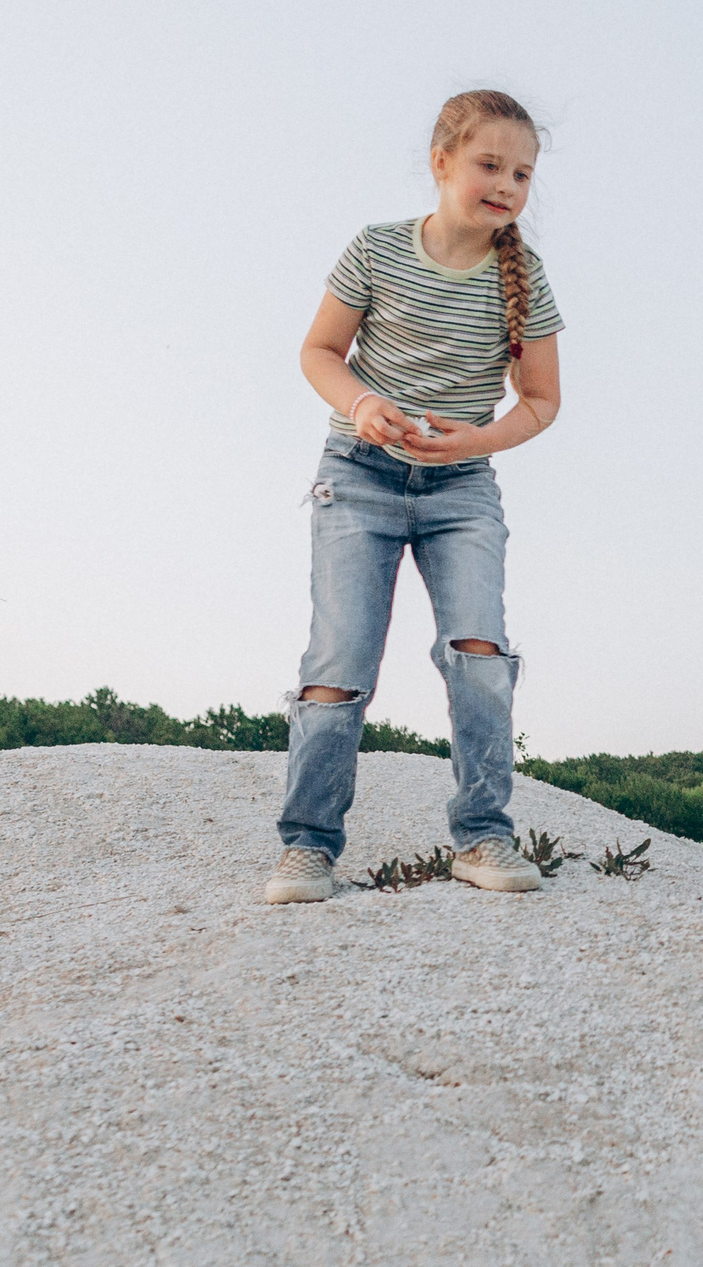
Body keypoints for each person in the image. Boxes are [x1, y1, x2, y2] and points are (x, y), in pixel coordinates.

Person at [264, 89, 565, 904]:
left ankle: (483, 835)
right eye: (489, 164)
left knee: (481, 653)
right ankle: (309, 846)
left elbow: (540, 401)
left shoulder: (525, 277)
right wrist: (362, 403)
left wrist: (474, 439)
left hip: (461, 486)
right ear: (442, 163)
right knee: (340, 660)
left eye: (523, 173)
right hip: (358, 475)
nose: (506, 184)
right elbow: (320, 350)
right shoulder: (377, 249)